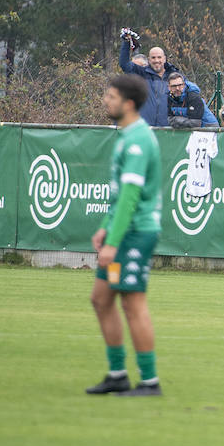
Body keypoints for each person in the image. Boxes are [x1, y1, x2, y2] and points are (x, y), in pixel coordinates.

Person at [85, 74, 165, 397]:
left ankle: (149, 382)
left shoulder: (137, 141)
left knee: (133, 304)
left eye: (112, 96)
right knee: (101, 299)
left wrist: (114, 241)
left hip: (135, 234)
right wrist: (106, 226)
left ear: (128, 104)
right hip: (122, 231)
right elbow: (119, 196)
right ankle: (117, 374)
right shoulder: (127, 136)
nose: (106, 100)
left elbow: (131, 198)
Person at [117, 29, 182, 126]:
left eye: (159, 57)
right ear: (148, 60)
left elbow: (190, 96)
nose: (156, 60)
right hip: (146, 129)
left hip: (168, 131)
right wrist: (126, 42)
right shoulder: (142, 73)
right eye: (153, 58)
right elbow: (124, 64)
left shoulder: (174, 76)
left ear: (164, 58)